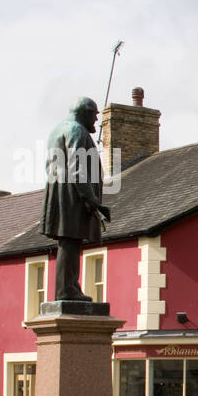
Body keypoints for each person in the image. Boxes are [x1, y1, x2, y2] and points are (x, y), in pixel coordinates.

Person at [42, 96, 111, 302]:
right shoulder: (76, 130)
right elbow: (77, 167)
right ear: (86, 112)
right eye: (95, 115)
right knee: (70, 240)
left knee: (69, 241)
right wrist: (91, 200)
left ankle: (69, 287)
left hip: (61, 190)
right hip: (72, 194)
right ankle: (66, 290)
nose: (96, 121)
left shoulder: (59, 129)